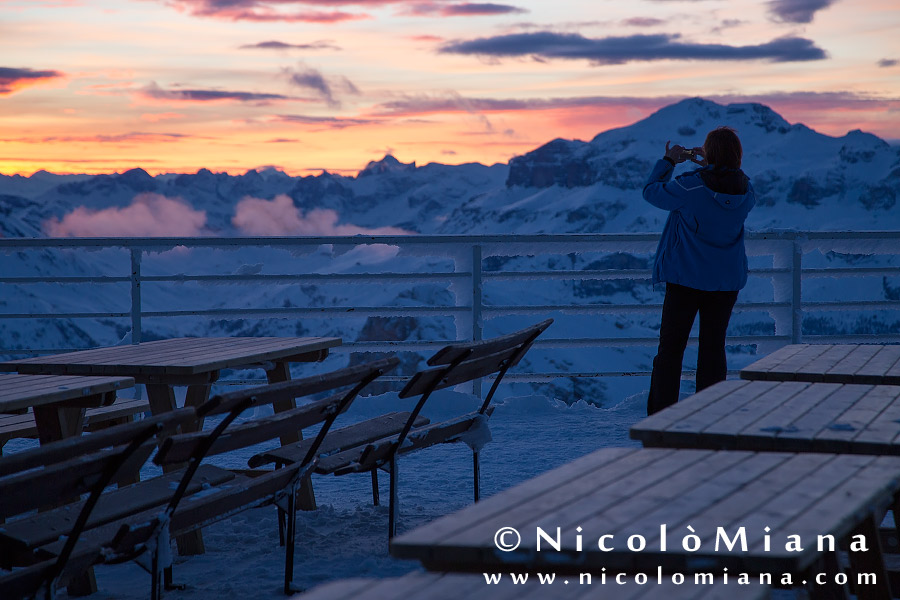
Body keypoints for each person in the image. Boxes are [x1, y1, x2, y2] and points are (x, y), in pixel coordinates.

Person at [643, 126, 755, 415]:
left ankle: (661, 417)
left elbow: (651, 192)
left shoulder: (690, 187)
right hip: (726, 282)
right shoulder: (747, 191)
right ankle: (709, 414)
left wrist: (669, 161)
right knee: (713, 348)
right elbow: (727, 181)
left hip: (686, 279)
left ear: (710, 152)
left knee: (671, 349)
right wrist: (713, 164)